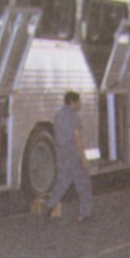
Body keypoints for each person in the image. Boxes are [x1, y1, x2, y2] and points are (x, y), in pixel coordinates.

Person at [45, 91, 94, 222]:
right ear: (73, 102)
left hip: (62, 153)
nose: (80, 104)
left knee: (62, 182)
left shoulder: (57, 115)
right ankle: (85, 213)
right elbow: (77, 138)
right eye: (79, 102)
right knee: (83, 184)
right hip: (73, 154)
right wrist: (83, 158)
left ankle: (50, 206)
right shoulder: (74, 116)